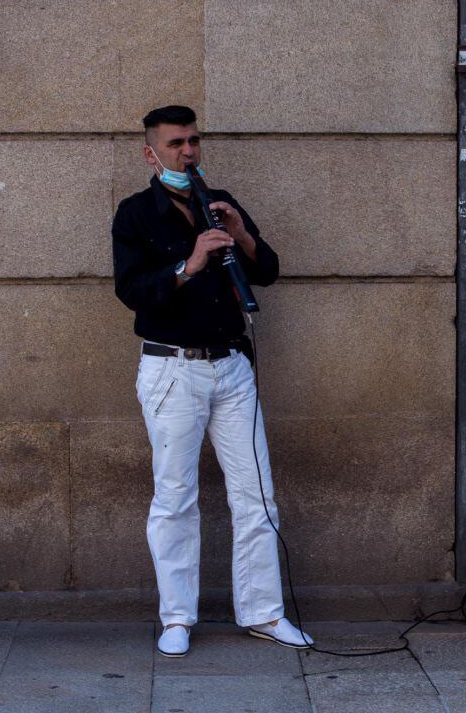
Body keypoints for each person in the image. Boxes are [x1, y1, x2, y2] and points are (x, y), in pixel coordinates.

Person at [112, 105, 313, 658]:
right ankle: (176, 618)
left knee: (257, 493)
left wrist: (242, 235)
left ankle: (265, 612)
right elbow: (131, 290)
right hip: (172, 369)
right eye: (176, 143)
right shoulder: (135, 214)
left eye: (194, 141)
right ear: (151, 152)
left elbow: (267, 270)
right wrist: (189, 264)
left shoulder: (219, 203)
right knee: (175, 496)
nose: (188, 152)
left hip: (231, 367)